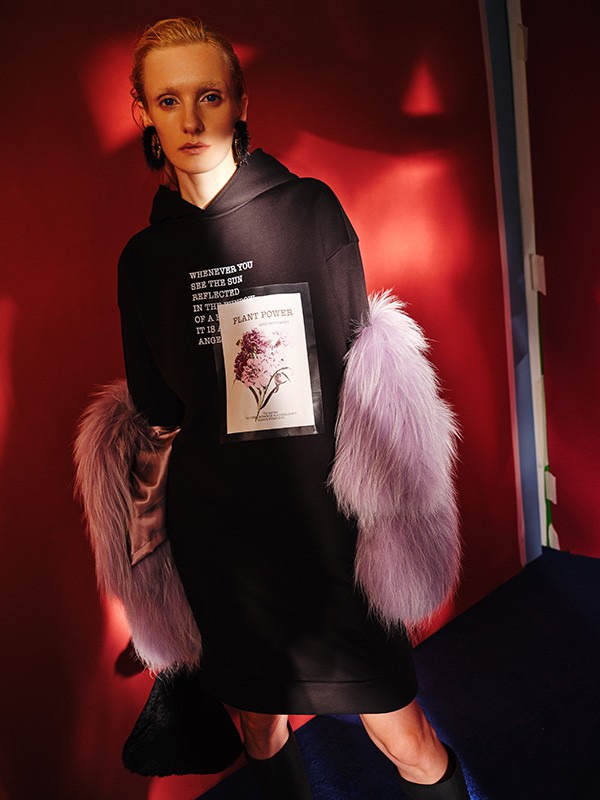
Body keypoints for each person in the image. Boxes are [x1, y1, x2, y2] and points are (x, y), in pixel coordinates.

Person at [80, 16, 470, 800]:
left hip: (328, 538)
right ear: (142, 113)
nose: (191, 120)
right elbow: (157, 409)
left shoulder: (309, 210)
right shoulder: (143, 261)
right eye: (168, 100)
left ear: (240, 101)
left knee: (404, 737)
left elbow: (357, 375)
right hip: (220, 546)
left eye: (210, 96)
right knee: (259, 730)